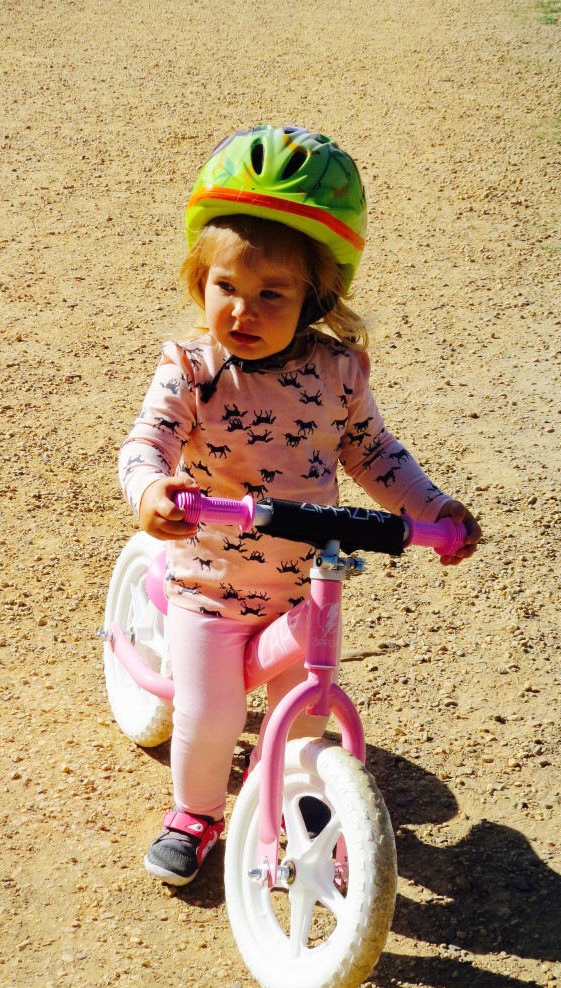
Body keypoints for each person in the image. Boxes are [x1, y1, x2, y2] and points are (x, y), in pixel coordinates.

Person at [118, 125, 481, 886]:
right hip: (208, 585)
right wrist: (152, 489)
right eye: (226, 288)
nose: (242, 311)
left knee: (305, 712)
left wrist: (436, 508)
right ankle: (195, 812)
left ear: (316, 296)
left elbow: (375, 453)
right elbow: (145, 442)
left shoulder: (337, 371)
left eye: (270, 295)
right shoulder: (191, 369)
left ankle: (293, 797)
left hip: (303, 581)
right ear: (200, 281)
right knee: (211, 717)